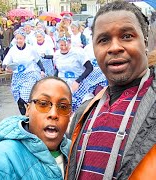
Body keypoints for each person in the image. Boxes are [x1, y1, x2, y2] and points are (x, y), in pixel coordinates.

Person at [66, 1, 156, 179]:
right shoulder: (83, 113)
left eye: (127, 36)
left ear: (145, 41)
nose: (115, 47)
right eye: (104, 40)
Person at [0, 76, 72, 179]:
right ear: (28, 109)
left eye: (63, 107)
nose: (53, 114)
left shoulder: (79, 151)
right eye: (43, 104)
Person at [3, 28, 45, 115]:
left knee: (24, 95)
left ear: (24, 39)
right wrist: (6, 67)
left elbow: (37, 60)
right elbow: (6, 61)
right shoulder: (13, 50)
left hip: (29, 74)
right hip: (17, 76)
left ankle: (30, 114)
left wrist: (42, 70)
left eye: (20, 38)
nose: (18, 40)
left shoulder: (30, 49)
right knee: (18, 97)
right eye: (17, 39)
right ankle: (24, 116)